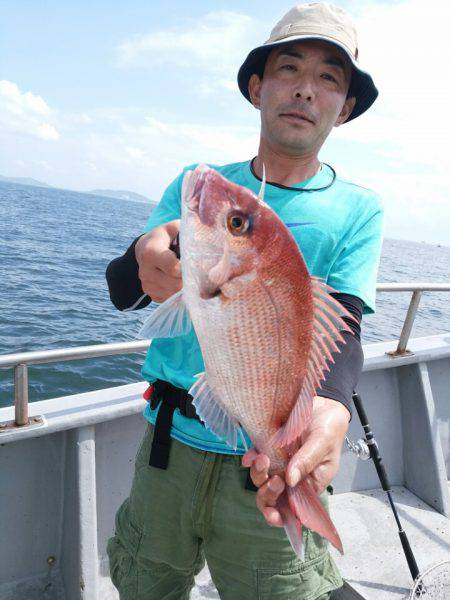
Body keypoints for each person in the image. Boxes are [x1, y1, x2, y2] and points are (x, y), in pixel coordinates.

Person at [105, 3, 384, 598]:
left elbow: (346, 328)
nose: (306, 90)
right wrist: (142, 260)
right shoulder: (199, 185)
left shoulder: (359, 209)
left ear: (346, 107)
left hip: (270, 449)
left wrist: (331, 408)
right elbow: (125, 290)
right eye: (288, 69)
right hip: (168, 448)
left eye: (329, 79)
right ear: (257, 88)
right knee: (146, 581)